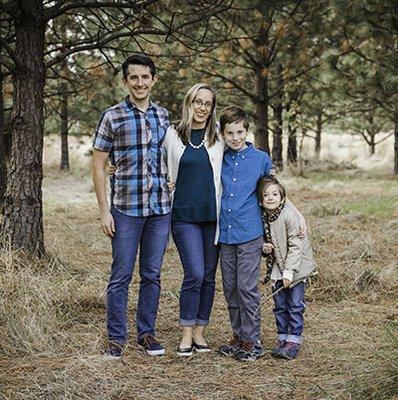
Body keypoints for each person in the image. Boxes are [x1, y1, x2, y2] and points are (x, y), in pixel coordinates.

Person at [92, 54, 171, 358]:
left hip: (159, 209)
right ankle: (116, 337)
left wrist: (172, 178)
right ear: (126, 81)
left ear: (153, 79)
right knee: (121, 274)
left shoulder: (163, 116)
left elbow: (171, 156)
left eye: (145, 77)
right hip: (125, 210)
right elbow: (98, 165)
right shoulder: (112, 116)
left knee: (152, 274)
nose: (140, 83)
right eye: (133, 77)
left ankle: (147, 333)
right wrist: (104, 210)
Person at [163, 83, 224, 356]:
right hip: (184, 215)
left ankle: (200, 331)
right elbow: (155, 163)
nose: (202, 108)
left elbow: (243, 152)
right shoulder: (172, 135)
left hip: (213, 216)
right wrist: (114, 165)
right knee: (195, 274)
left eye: (207, 104)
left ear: (212, 108)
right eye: (198, 102)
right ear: (189, 103)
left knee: (209, 277)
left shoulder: (219, 136)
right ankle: (186, 332)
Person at [217, 106, 273, 362]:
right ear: (223, 133)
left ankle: (253, 340)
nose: (236, 137)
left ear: (247, 130)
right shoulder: (220, 158)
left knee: (246, 287)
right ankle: (238, 336)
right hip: (226, 233)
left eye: (240, 131)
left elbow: (273, 192)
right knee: (230, 288)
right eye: (230, 133)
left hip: (250, 233)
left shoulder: (261, 159)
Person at [258, 176, 316, 360]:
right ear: (261, 201)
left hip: (295, 268)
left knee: (295, 305)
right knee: (280, 305)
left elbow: (296, 246)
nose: (270, 198)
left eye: (275, 194)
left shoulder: (290, 216)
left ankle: (294, 341)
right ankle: (282, 338)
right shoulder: (265, 217)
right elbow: (270, 241)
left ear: (282, 198)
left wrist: (289, 273)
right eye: (266, 195)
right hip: (278, 267)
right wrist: (265, 248)